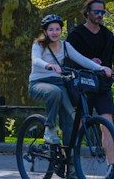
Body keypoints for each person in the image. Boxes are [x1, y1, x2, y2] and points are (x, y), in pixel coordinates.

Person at [64, 0, 114, 179]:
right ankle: (72, 165)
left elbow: (108, 61)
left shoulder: (107, 35)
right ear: (87, 13)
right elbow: (69, 60)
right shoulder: (76, 35)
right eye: (96, 12)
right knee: (79, 125)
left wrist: (103, 68)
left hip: (101, 85)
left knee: (108, 123)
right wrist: (90, 62)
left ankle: (112, 167)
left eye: (102, 12)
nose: (100, 15)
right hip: (81, 84)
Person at [28, 14, 106, 158]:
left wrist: (100, 68)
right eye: (51, 29)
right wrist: (49, 66)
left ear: (61, 30)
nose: (54, 32)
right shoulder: (38, 45)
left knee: (71, 118)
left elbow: (81, 59)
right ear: (45, 32)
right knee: (55, 92)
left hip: (60, 84)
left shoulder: (65, 46)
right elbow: (36, 60)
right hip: (38, 83)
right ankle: (50, 128)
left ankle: (69, 163)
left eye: (57, 29)